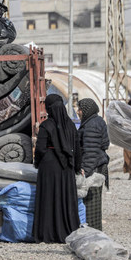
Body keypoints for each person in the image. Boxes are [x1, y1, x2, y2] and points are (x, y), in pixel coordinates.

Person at [32, 94, 82, 243]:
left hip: (49, 167)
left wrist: (37, 163)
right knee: (65, 198)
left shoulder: (46, 125)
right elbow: (77, 149)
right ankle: (67, 230)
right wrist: (77, 167)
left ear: (48, 108)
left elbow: (40, 148)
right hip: (67, 167)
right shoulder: (71, 125)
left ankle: (48, 233)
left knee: (49, 199)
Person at [77, 98, 109, 231]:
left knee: (90, 201)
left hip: (93, 168)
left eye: (79, 109)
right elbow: (104, 144)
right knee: (94, 202)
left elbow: (91, 151)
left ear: (86, 110)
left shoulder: (91, 125)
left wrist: (85, 170)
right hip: (98, 165)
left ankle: (92, 231)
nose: (78, 112)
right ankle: (93, 229)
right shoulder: (96, 121)